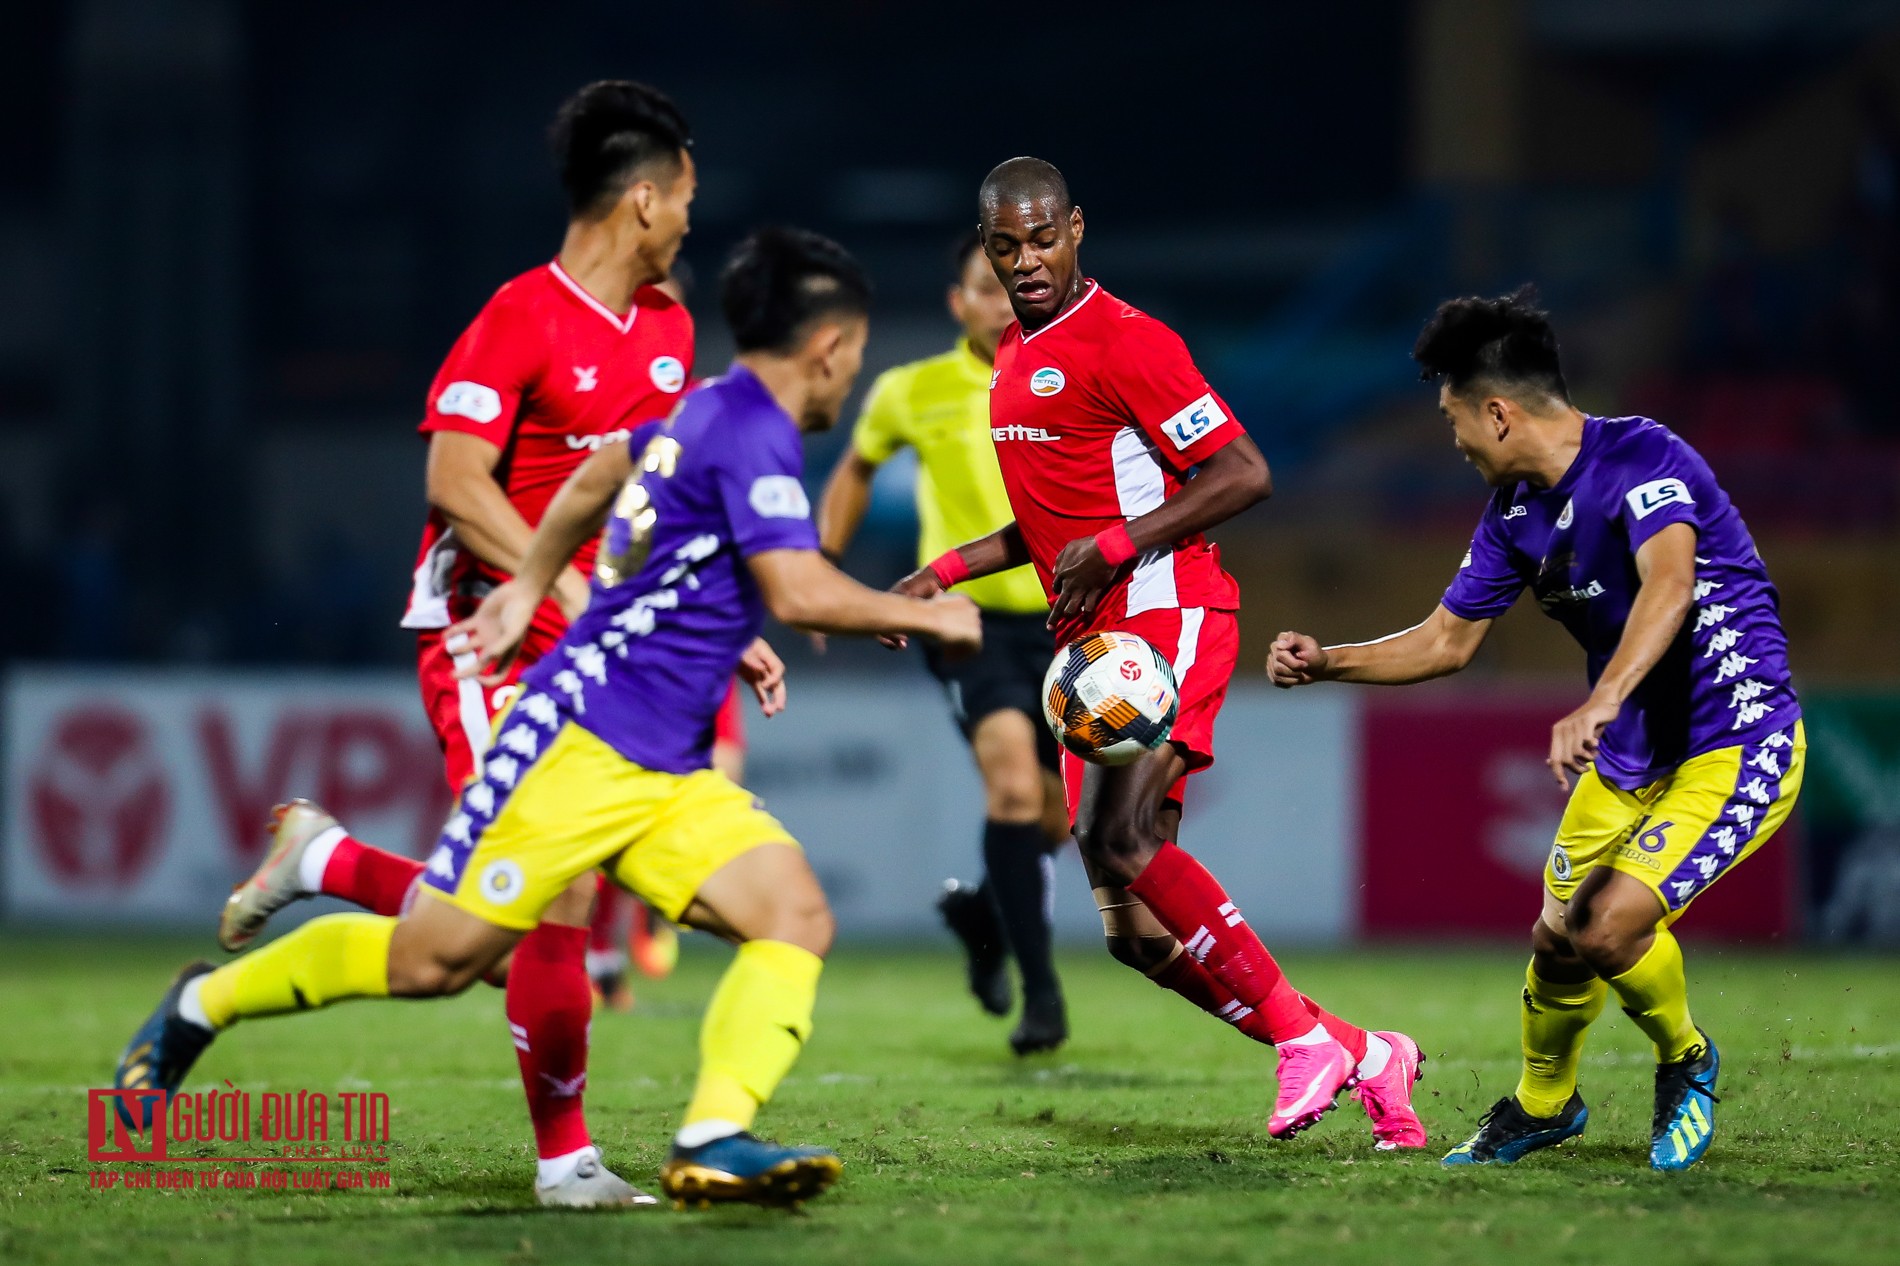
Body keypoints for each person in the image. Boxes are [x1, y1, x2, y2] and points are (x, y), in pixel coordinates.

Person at [114, 226, 983, 1210]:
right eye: (858, 351)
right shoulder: (751, 433)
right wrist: (927, 610)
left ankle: (711, 1136)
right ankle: (205, 1000)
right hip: (574, 748)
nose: (854, 371)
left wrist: (543, 584)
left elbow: (595, 477)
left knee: (793, 913)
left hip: (665, 767)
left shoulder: (706, 409)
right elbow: (795, 587)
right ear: (830, 347)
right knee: (438, 961)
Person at [213, 80, 699, 1205]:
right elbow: (453, 481)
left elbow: (649, 493)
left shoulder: (671, 332)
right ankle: (564, 1163)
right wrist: (562, 590)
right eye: (681, 195)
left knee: (506, 914)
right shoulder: (518, 317)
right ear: (639, 200)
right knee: (545, 896)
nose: (688, 217)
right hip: (486, 638)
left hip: (588, 645)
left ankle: (325, 861)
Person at [893, 157, 1424, 1146]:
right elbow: (1051, 519)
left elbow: (1243, 472)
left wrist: (1121, 546)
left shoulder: (1128, 341)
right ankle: (1356, 1049)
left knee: (1126, 840)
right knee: (1133, 936)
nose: (1026, 260)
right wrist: (947, 570)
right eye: (1005, 246)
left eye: (1042, 237)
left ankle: (1298, 1045)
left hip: (1161, 608)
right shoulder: (1014, 350)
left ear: (1077, 228)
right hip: (1088, 634)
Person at [1267, 288, 1804, 1171]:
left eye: (1455, 419)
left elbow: (1669, 584)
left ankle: (1687, 1059)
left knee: (1605, 927)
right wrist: (1328, 659)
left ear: (1499, 412)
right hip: (1632, 752)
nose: (1454, 440)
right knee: (1556, 938)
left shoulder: (1645, 457)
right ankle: (1544, 1104)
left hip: (1735, 740)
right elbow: (1445, 641)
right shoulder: (1515, 516)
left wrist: (1598, 701)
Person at [817, 229, 1069, 1054]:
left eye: (1012, 285)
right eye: (985, 289)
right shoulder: (911, 389)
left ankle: (984, 920)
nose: (1003, 300)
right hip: (967, 623)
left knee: (1060, 818)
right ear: (960, 302)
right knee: (1013, 794)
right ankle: (1042, 1000)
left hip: (1073, 617)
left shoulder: (1069, 374)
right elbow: (856, 466)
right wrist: (822, 569)